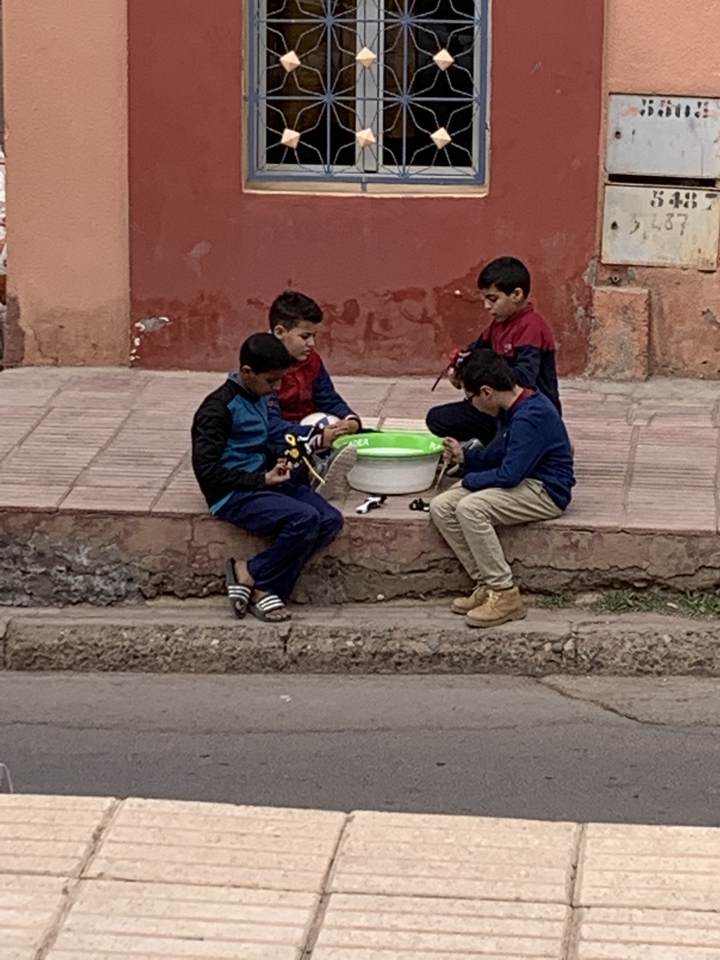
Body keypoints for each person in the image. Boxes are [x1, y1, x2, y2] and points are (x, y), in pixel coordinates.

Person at [191, 333, 344, 623]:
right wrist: (261, 481)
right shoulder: (217, 410)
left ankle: (250, 572)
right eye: (271, 381)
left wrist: (281, 458)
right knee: (304, 519)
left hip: (265, 479)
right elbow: (207, 473)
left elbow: (264, 440)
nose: (275, 388)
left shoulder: (259, 396)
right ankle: (269, 589)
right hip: (232, 492)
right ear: (247, 372)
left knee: (329, 520)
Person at [429, 350, 574, 628]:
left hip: (545, 491)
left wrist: (469, 481)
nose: (470, 404)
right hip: (523, 481)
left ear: (486, 392)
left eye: (469, 398)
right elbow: (500, 455)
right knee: (442, 506)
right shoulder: (511, 409)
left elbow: (509, 475)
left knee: (471, 508)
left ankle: (505, 593)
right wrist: (466, 458)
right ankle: (485, 583)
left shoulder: (530, 415)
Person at [427, 256, 561, 445]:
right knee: (437, 419)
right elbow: (473, 352)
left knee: (497, 460)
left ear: (516, 295)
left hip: (527, 413)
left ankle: (541, 441)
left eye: (493, 299)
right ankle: (492, 444)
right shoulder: (498, 325)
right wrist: (458, 368)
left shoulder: (532, 328)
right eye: (484, 299)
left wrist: (479, 377)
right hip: (498, 409)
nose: (487, 306)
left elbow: (525, 376)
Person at [268, 290, 362, 496]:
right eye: (305, 336)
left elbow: (327, 397)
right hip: (283, 436)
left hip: (314, 430)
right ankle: (313, 474)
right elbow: (270, 424)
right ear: (279, 332)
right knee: (272, 449)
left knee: (363, 436)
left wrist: (350, 420)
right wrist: (314, 437)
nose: (311, 343)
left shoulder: (312, 360)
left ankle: (321, 467)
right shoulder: (264, 366)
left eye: (314, 336)